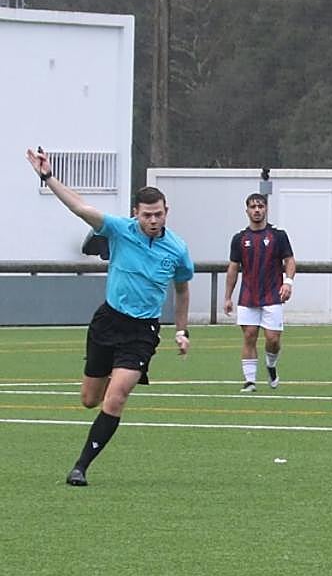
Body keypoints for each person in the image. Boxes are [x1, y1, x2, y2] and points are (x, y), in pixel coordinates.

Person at [25, 147, 194, 487]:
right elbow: (80, 207)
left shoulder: (177, 249)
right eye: (147, 215)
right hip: (108, 321)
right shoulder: (119, 230)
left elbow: (182, 290)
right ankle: (106, 393)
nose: (153, 221)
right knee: (90, 400)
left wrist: (181, 330)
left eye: (159, 214)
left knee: (117, 396)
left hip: (142, 332)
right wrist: (48, 177)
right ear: (136, 214)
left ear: (166, 212)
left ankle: (80, 467)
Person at [223, 193, 295, 392]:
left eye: (260, 206)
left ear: (266, 209)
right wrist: (228, 297)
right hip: (248, 296)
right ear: (247, 211)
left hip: (272, 295)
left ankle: (271, 365)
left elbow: (290, 261)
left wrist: (288, 283)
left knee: (273, 339)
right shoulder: (239, 239)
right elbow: (233, 268)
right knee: (249, 336)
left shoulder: (278, 236)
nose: (257, 210)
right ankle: (250, 381)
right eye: (253, 207)